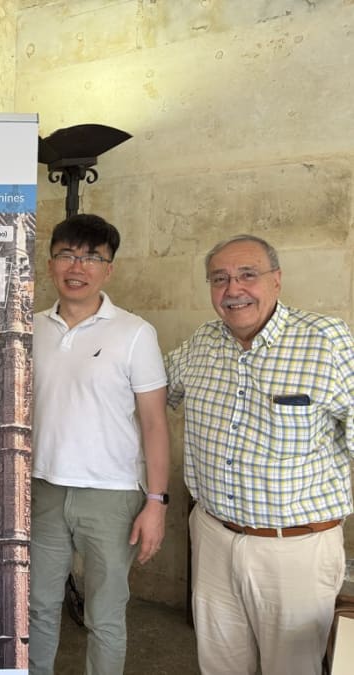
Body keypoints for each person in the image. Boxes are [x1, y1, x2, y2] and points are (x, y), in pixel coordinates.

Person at [166, 234, 354, 675]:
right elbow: (146, 391)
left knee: (291, 668)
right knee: (219, 664)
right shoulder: (201, 344)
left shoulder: (326, 341)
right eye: (220, 279)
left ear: (276, 280)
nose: (233, 289)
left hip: (295, 548)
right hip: (213, 537)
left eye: (247, 275)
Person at [29, 214, 170, 675]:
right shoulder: (30, 329)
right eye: (68, 254)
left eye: (92, 257)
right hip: (42, 489)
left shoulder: (134, 333)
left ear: (109, 269)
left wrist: (157, 502)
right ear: (50, 263)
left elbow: (154, 423)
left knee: (105, 616)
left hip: (112, 496)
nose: (78, 266)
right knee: (37, 609)